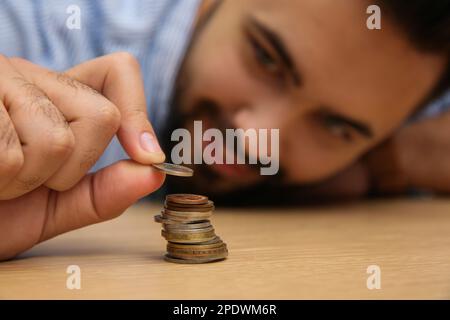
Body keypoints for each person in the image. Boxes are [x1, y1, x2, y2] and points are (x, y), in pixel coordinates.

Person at [0, 0, 449, 260]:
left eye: (337, 127)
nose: (256, 138)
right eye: (267, 58)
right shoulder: (33, 23)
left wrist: (388, 163)